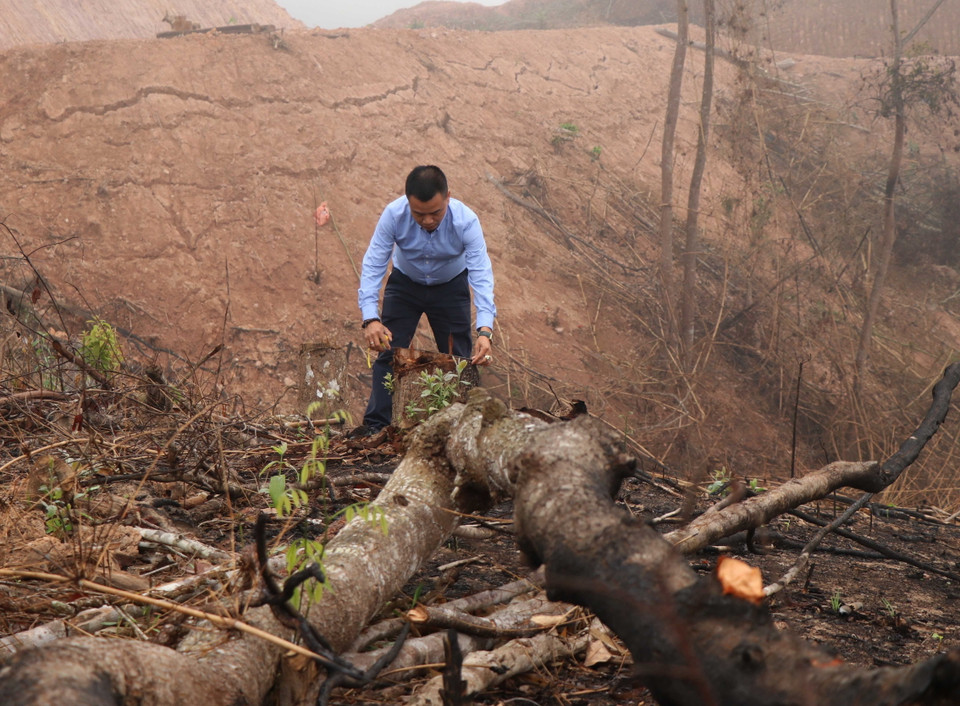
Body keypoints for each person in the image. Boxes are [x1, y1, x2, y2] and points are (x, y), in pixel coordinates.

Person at [346, 165, 496, 433]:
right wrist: (370, 317)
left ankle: (463, 428)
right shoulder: (394, 215)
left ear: (448, 196)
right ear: (407, 202)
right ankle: (377, 426)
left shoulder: (466, 221)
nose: (427, 220)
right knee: (387, 352)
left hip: (451, 287)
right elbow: (374, 263)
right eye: (419, 214)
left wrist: (485, 330)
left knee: (460, 360)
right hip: (405, 285)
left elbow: (481, 273)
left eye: (435, 213)